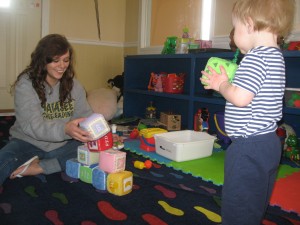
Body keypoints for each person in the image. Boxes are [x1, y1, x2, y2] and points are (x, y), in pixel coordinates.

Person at [200, 0, 295, 224]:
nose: (233, 37)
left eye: (235, 30)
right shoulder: (276, 57)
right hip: (268, 143)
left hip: (247, 147)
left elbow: (241, 99)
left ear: (250, 25)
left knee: (238, 206)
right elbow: (256, 94)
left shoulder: (255, 57)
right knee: (255, 199)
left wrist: (222, 84)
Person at [0, 34, 95, 185]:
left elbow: (86, 116)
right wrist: (64, 129)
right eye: (55, 61)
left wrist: (102, 132)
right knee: (3, 160)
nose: (62, 66)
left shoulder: (74, 85)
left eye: (66, 60)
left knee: (96, 149)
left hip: (63, 144)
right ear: (43, 60)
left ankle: (40, 167)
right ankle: (46, 161)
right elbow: (32, 125)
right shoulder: (26, 84)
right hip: (28, 142)